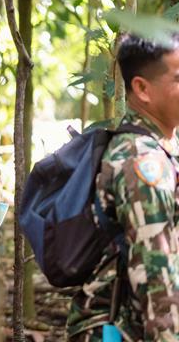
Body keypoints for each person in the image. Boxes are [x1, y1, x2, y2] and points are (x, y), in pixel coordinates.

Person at [67, 34, 179, 341]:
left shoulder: (160, 147)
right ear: (142, 88)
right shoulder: (143, 163)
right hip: (117, 330)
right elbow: (157, 274)